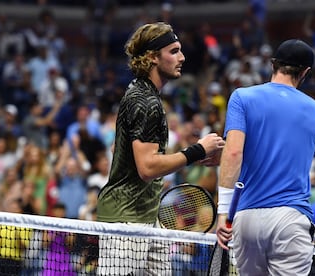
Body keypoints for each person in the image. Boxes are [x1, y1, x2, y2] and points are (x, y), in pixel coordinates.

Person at [96, 22, 225, 275]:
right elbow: (147, 168)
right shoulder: (146, 102)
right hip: (127, 223)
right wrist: (196, 151)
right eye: (174, 51)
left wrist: (180, 159)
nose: (182, 57)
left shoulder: (139, 92)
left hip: (147, 217)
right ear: (154, 57)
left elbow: (118, 148)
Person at [215, 39, 315, 275]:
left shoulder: (241, 97)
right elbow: (289, 155)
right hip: (290, 218)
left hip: (245, 219)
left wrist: (224, 212)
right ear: (305, 72)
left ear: (273, 64)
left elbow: (234, 152)